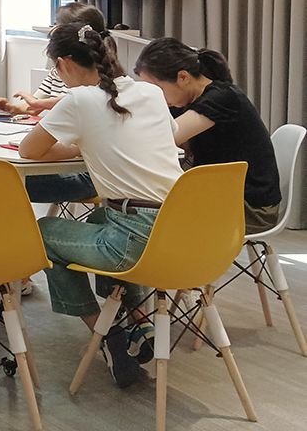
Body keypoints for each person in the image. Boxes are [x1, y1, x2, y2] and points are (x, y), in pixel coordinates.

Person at [19, 22, 182, 390]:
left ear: (63, 65)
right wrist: (87, 142)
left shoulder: (79, 100)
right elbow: (162, 137)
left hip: (135, 240)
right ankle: (140, 322)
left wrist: (78, 143)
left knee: (42, 232)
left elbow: (28, 150)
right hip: (185, 232)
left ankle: (108, 335)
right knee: (100, 216)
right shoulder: (150, 93)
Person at [135, 38, 280, 233]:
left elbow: (163, 138)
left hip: (251, 209)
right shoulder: (184, 100)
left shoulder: (222, 97)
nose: (155, 97)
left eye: (157, 89)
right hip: (222, 195)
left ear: (183, 77)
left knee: (144, 215)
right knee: (143, 206)